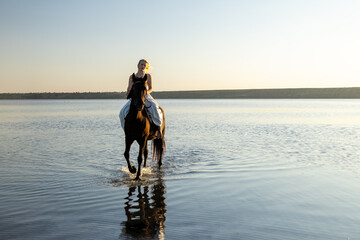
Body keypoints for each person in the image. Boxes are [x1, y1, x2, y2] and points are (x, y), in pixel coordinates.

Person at [119, 59, 163, 138]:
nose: (142, 66)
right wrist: (128, 93)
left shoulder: (148, 76)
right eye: (141, 64)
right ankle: (126, 130)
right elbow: (129, 87)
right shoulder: (132, 77)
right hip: (135, 98)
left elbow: (151, 88)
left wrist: (146, 92)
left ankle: (158, 128)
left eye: (144, 65)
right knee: (122, 112)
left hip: (145, 97)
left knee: (154, 108)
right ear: (138, 65)